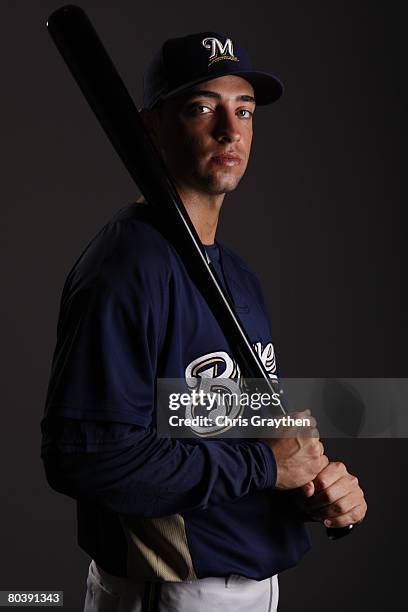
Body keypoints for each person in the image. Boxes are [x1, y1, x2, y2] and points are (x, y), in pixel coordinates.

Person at [40, 32, 367, 612]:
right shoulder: (127, 268)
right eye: (201, 108)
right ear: (150, 128)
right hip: (170, 591)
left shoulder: (237, 276)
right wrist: (269, 464)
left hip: (257, 583)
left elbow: (230, 433)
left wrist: (314, 490)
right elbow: (87, 456)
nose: (230, 130)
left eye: (243, 111)